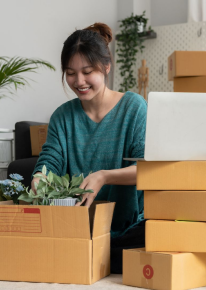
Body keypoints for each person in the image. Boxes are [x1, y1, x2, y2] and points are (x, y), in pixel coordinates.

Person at [31, 22, 147, 274]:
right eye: (70, 73)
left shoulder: (134, 107)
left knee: (156, 233)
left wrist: (103, 176)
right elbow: (50, 159)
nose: (79, 81)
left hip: (129, 228)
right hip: (79, 226)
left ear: (106, 66)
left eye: (87, 71)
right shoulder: (62, 116)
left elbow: (146, 170)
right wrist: (40, 176)